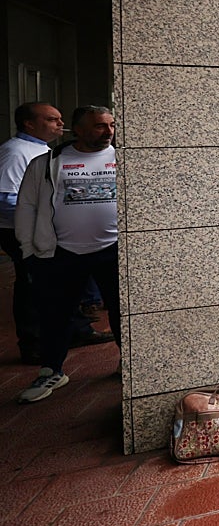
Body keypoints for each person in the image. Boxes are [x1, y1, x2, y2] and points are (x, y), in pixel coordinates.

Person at [15, 106, 121, 403]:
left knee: (121, 311)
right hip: (62, 252)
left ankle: (129, 362)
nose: (108, 132)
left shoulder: (123, 158)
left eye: (111, 125)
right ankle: (52, 370)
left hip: (113, 250)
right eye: (99, 126)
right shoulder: (47, 163)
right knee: (55, 314)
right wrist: (29, 251)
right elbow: (27, 207)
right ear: (78, 130)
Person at [0, 102, 65, 364]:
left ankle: (73, 331)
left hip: (44, 229)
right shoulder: (16, 152)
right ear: (29, 124)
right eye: (52, 119)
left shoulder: (44, 149)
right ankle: (33, 343)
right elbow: (5, 198)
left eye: (60, 119)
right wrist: (40, 220)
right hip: (21, 231)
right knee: (31, 284)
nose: (60, 124)